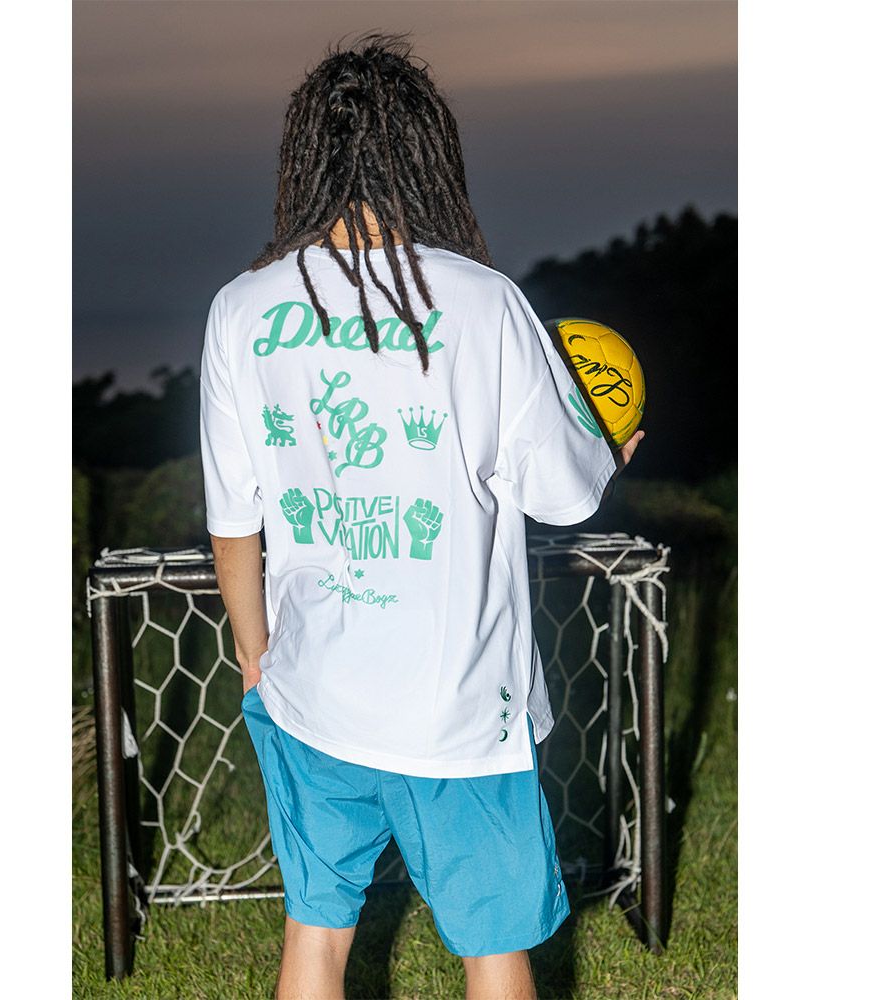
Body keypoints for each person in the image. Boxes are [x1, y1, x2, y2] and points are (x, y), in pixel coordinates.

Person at [199, 32, 644, 1000]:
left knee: (316, 935)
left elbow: (233, 518)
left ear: (304, 159)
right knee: (493, 951)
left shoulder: (242, 308)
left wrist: (256, 655)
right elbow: (563, 496)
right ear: (426, 157)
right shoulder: (485, 305)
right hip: (460, 709)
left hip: (311, 690)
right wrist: (606, 450)